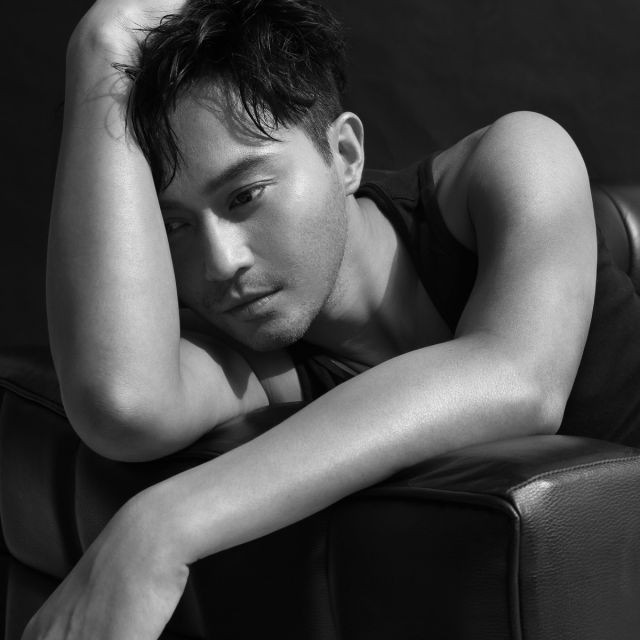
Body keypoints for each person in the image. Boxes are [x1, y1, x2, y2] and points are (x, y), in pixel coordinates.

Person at [25, 0, 640, 637]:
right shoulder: (256, 361)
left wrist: (162, 526)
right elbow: (123, 406)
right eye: (172, 226)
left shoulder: (514, 159)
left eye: (245, 196)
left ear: (344, 153)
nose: (221, 263)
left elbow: (518, 379)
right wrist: (100, 46)